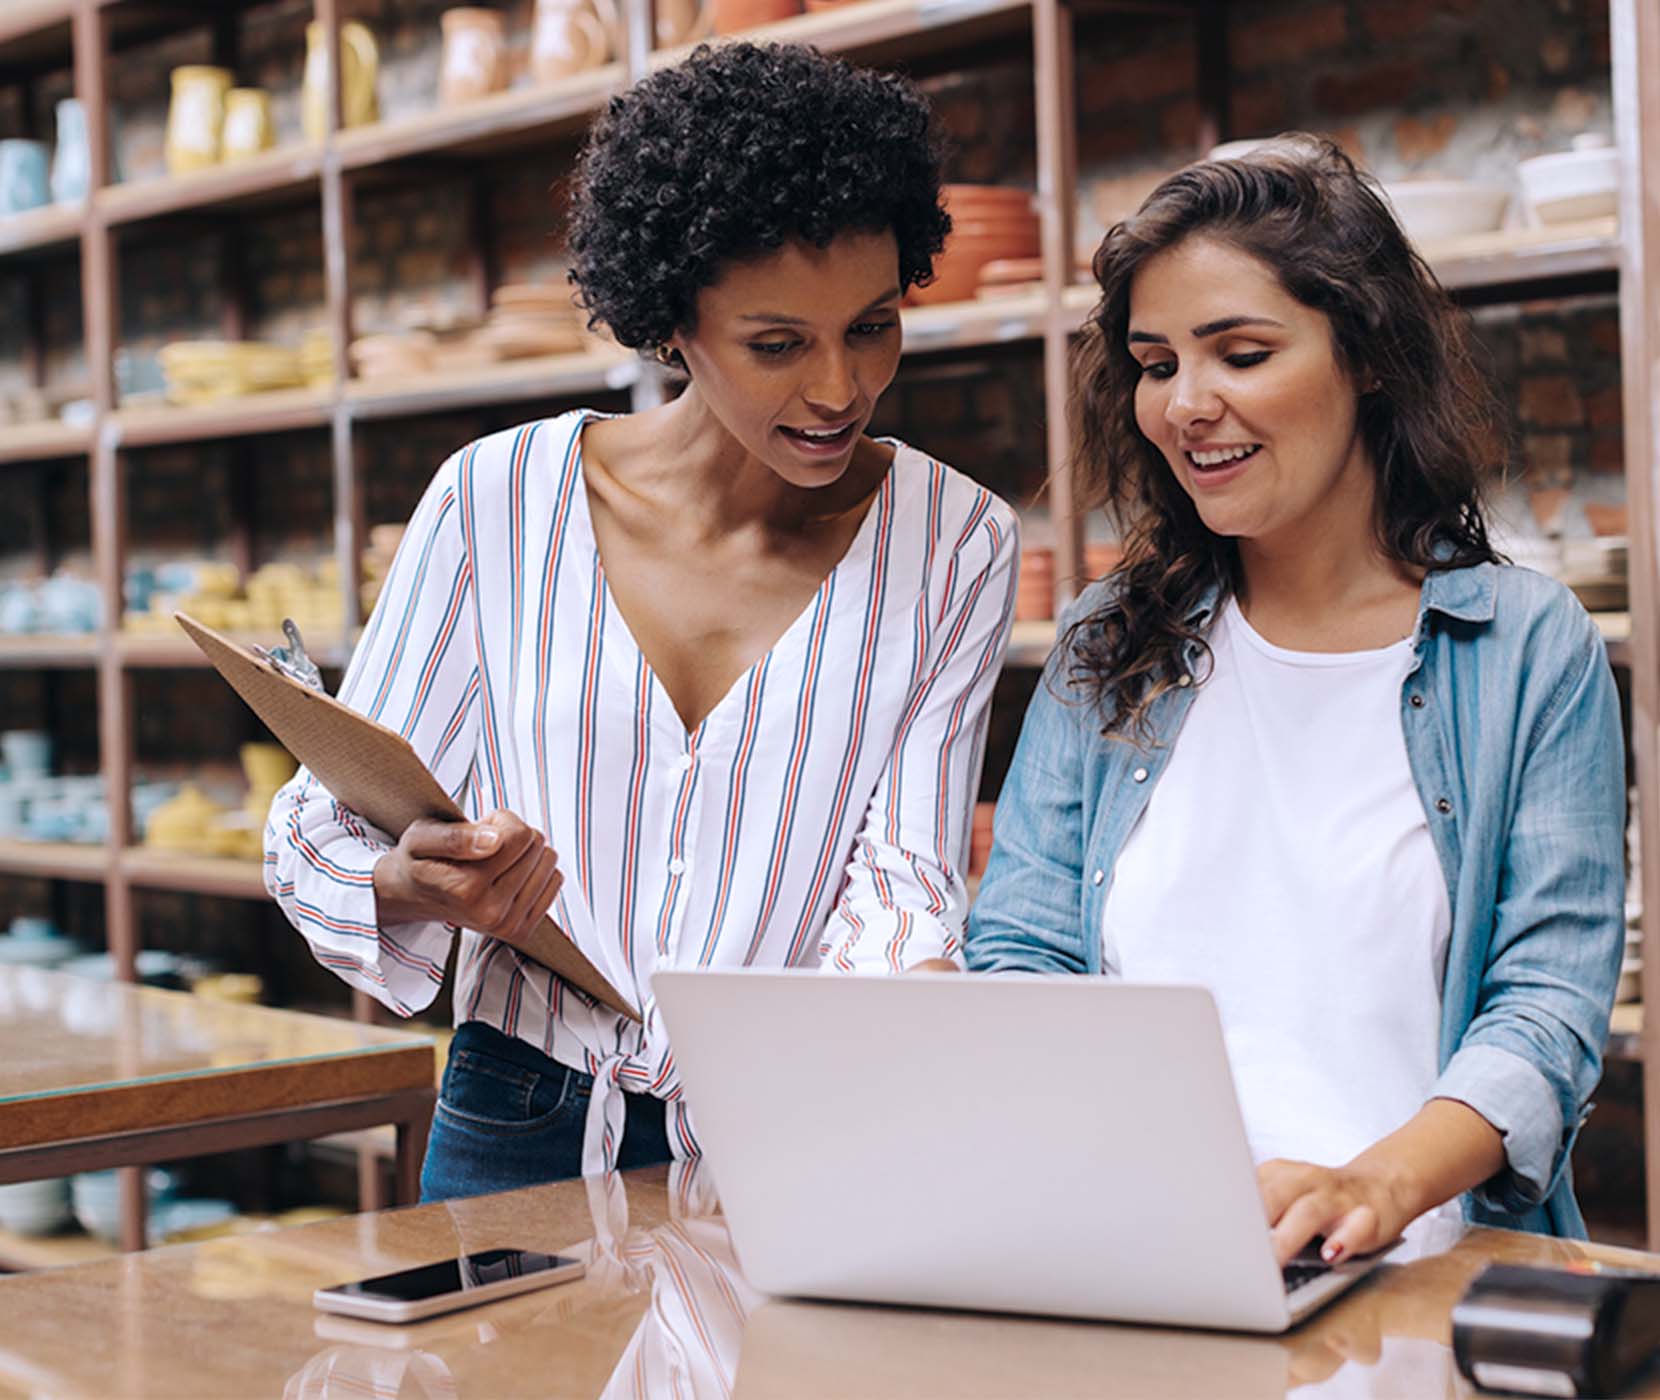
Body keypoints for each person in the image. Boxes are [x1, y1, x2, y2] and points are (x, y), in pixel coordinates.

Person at [266, 42, 1018, 1199]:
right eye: (777, 343)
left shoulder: (956, 538)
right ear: (673, 322)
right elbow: (329, 818)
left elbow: (905, 878)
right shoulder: (496, 500)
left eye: (871, 325)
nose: (837, 388)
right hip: (517, 1111)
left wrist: (907, 1044)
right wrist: (421, 883)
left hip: (797, 1128)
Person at [965, 137, 1623, 1263]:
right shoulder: (1109, 641)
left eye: (1242, 351)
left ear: (1363, 353)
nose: (1186, 404)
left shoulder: (1521, 647)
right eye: (1157, 362)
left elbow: (1545, 1008)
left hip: (1409, 1265)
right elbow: (1021, 951)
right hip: (1142, 1258)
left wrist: (1372, 1184)